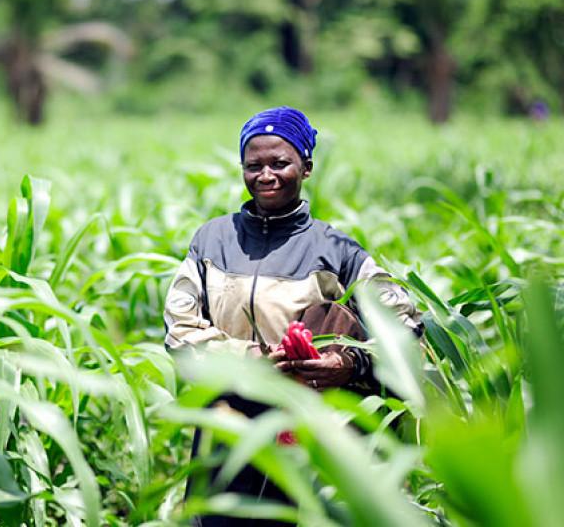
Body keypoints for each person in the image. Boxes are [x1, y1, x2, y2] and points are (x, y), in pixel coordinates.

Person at [163, 106, 420, 526]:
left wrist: (348, 363)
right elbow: (179, 329)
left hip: (307, 426)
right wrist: (252, 361)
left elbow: (404, 325)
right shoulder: (212, 240)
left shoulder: (337, 251)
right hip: (228, 419)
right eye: (253, 165)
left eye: (279, 163)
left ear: (306, 167)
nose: (265, 175)